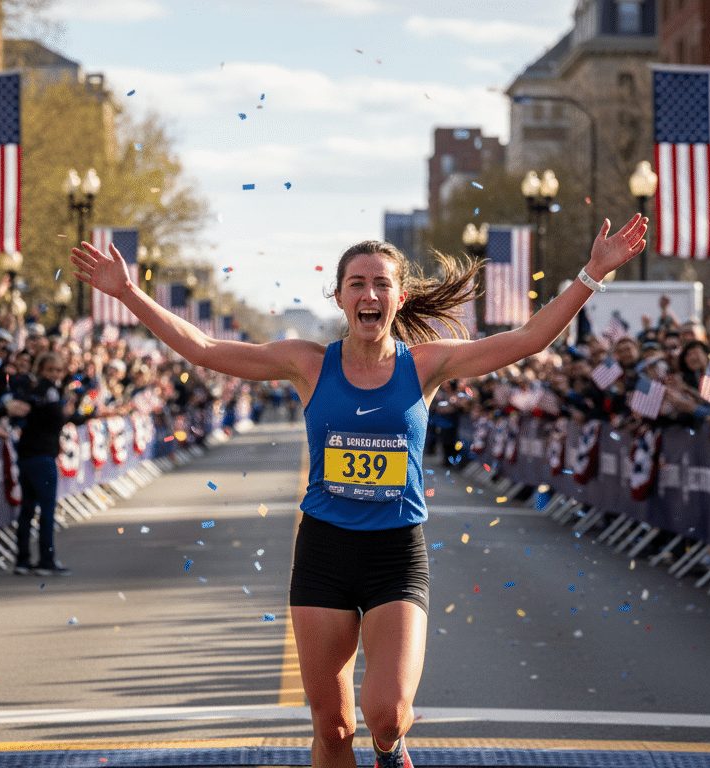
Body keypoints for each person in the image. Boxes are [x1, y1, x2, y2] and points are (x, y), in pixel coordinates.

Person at [71, 213, 648, 768]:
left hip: (395, 550)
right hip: (324, 550)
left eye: (381, 284)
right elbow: (204, 349)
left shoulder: (427, 364)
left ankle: (391, 751)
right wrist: (127, 293)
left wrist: (592, 274)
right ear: (341, 298)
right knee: (333, 727)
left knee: (388, 712)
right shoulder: (305, 363)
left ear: (398, 298)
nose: (368, 293)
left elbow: (528, 339)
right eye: (356, 284)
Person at [13, 351, 89, 577]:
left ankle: (23, 560)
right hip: (41, 457)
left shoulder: (36, 391)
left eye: (58, 370)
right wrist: (73, 414)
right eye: (50, 370)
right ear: (41, 370)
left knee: (27, 510)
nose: (55, 374)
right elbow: (57, 418)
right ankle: (46, 559)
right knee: (45, 510)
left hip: (28, 455)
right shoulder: (48, 391)